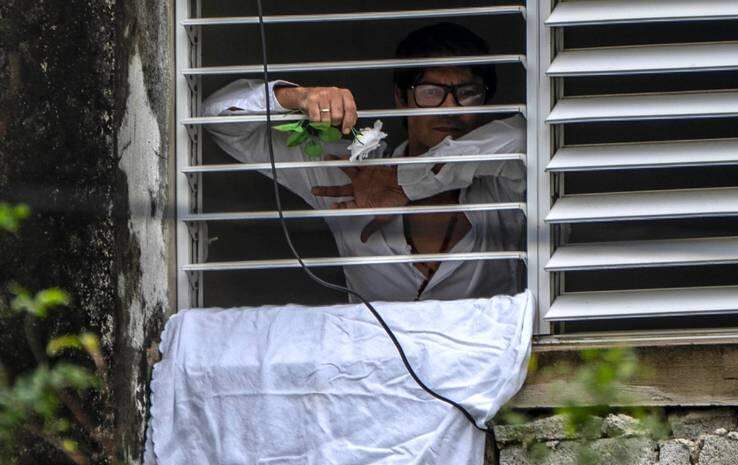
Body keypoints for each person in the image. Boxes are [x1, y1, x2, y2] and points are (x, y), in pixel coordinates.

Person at [201, 22, 525, 303]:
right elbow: (218, 120)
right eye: (430, 91)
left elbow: (525, 134)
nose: (450, 109)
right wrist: (299, 97)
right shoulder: (350, 173)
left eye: (468, 92)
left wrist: (404, 183)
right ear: (401, 97)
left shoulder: (501, 181)